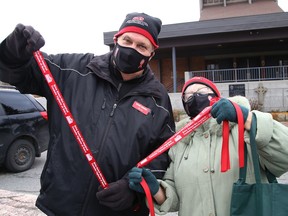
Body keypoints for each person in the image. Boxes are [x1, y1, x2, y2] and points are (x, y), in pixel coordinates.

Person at [0, 12, 175, 216]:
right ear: (117, 39)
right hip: (59, 206)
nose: (132, 49)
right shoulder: (73, 69)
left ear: (151, 54)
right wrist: (13, 51)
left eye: (142, 46)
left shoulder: (158, 99)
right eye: (128, 40)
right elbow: (15, 72)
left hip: (117, 211)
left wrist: (133, 189)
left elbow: (163, 153)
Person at [128, 76, 288, 216]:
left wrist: (246, 118)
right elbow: (176, 198)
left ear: (216, 97)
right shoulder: (180, 144)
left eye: (201, 91)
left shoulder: (241, 129)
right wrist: (155, 189)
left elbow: (284, 154)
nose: (195, 97)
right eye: (188, 95)